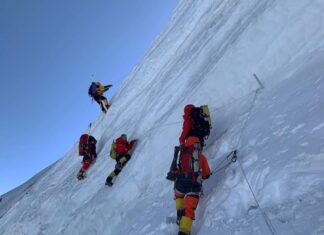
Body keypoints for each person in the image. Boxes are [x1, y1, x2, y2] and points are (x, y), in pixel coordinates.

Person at [173, 136, 211, 235]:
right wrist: (203, 176)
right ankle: (184, 231)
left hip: (180, 185)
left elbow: (178, 170)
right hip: (192, 186)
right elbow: (207, 173)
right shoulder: (200, 156)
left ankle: (179, 213)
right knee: (189, 207)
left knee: (179, 195)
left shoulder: (182, 154)